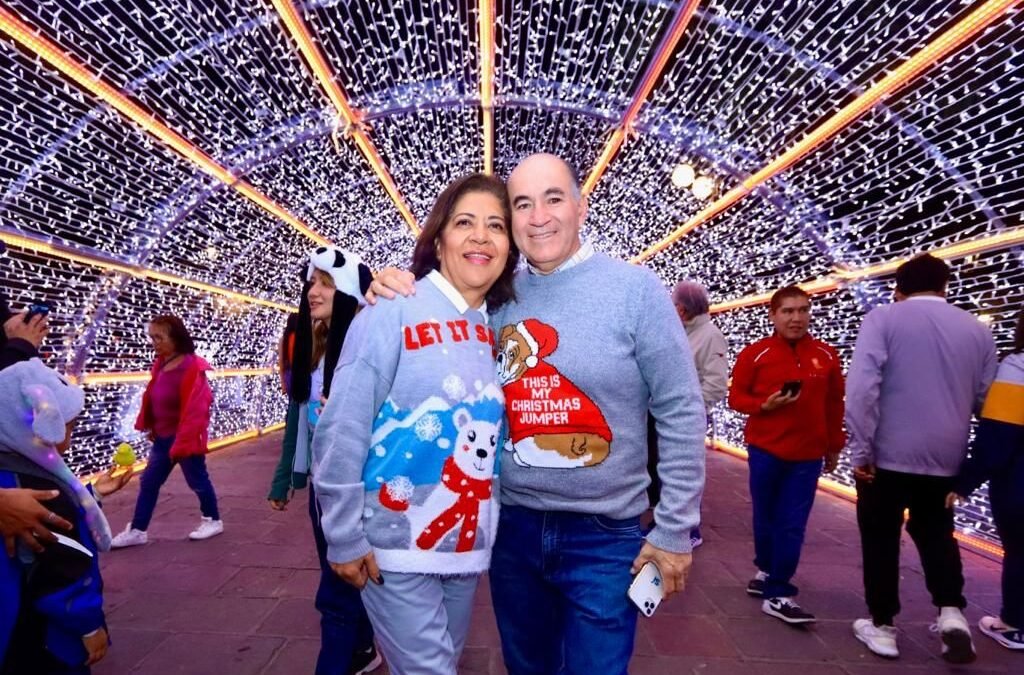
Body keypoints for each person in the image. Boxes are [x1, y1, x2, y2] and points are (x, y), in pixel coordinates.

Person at [369, 154, 706, 675]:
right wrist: (394, 285)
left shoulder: (636, 291)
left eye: (553, 198)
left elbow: (681, 410)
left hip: (605, 536)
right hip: (513, 530)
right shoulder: (497, 295)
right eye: (522, 204)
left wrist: (673, 529)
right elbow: (439, 306)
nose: (538, 216)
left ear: (580, 205)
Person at [313, 173, 518, 674]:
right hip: (393, 548)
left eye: (496, 225)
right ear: (439, 236)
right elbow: (341, 426)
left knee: (440, 661)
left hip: (465, 552)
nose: (480, 236)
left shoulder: (496, 324)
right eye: (464, 222)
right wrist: (342, 535)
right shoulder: (391, 311)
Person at [846, 253, 997, 663]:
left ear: (899, 288)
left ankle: (882, 626)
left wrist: (862, 449)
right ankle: (951, 613)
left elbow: (862, 389)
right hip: (945, 457)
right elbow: (987, 400)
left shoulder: (883, 320)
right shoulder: (976, 332)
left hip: (886, 456)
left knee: (880, 537)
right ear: (945, 286)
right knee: (936, 535)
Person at [267, 245, 380, 675]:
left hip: (359, 485)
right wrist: (284, 480)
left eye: (325, 283)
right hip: (321, 486)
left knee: (335, 589)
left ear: (348, 292)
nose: (312, 291)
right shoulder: (311, 352)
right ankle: (364, 646)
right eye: (311, 282)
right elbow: (297, 421)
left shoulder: (367, 348)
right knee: (339, 573)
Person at [0, 358, 132, 673]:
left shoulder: (11, 473)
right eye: (67, 424)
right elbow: (62, 561)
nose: (70, 433)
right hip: (42, 631)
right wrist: (87, 624)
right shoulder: (37, 487)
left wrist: (94, 494)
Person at [728, 285, 844, 625]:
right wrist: (763, 405)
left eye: (803, 310)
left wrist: (834, 445)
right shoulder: (756, 354)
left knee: (792, 523)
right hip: (766, 449)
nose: (797, 318)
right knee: (765, 516)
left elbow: (835, 403)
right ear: (774, 316)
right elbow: (735, 398)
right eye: (789, 311)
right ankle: (766, 569)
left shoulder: (826, 355)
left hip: (807, 455)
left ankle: (779, 590)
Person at [110, 315, 223, 547]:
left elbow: (197, 406)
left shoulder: (191, 366)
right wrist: (151, 424)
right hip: (163, 437)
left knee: (197, 480)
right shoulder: (161, 363)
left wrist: (184, 439)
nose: (155, 342)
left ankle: (212, 520)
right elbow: (153, 395)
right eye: (152, 337)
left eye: (159, 337)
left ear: (176, 337)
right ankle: (138, 529)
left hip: (184, 437)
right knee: (149, 481)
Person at [948, 309, 1024, 651]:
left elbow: (998, 439)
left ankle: (1015, 625)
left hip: (1019, 483)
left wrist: (964, 482)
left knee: (1021, 550)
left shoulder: (1017, 369)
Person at [647, 281, 728, 548]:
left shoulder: (709, 335)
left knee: (683, 469)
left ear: (681, 309)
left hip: (684, 416)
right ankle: (663, 520)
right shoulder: (683, 332)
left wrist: (690, 409)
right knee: (664, 469)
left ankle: (689, 530)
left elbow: (715, 383)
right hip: (663, 414)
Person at [278, 312, 299, 396]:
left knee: (292, 401)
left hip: (288, 374)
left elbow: (281, 362)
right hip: (299, 373)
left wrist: (283, 384)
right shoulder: (301, 337)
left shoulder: (283, 339)